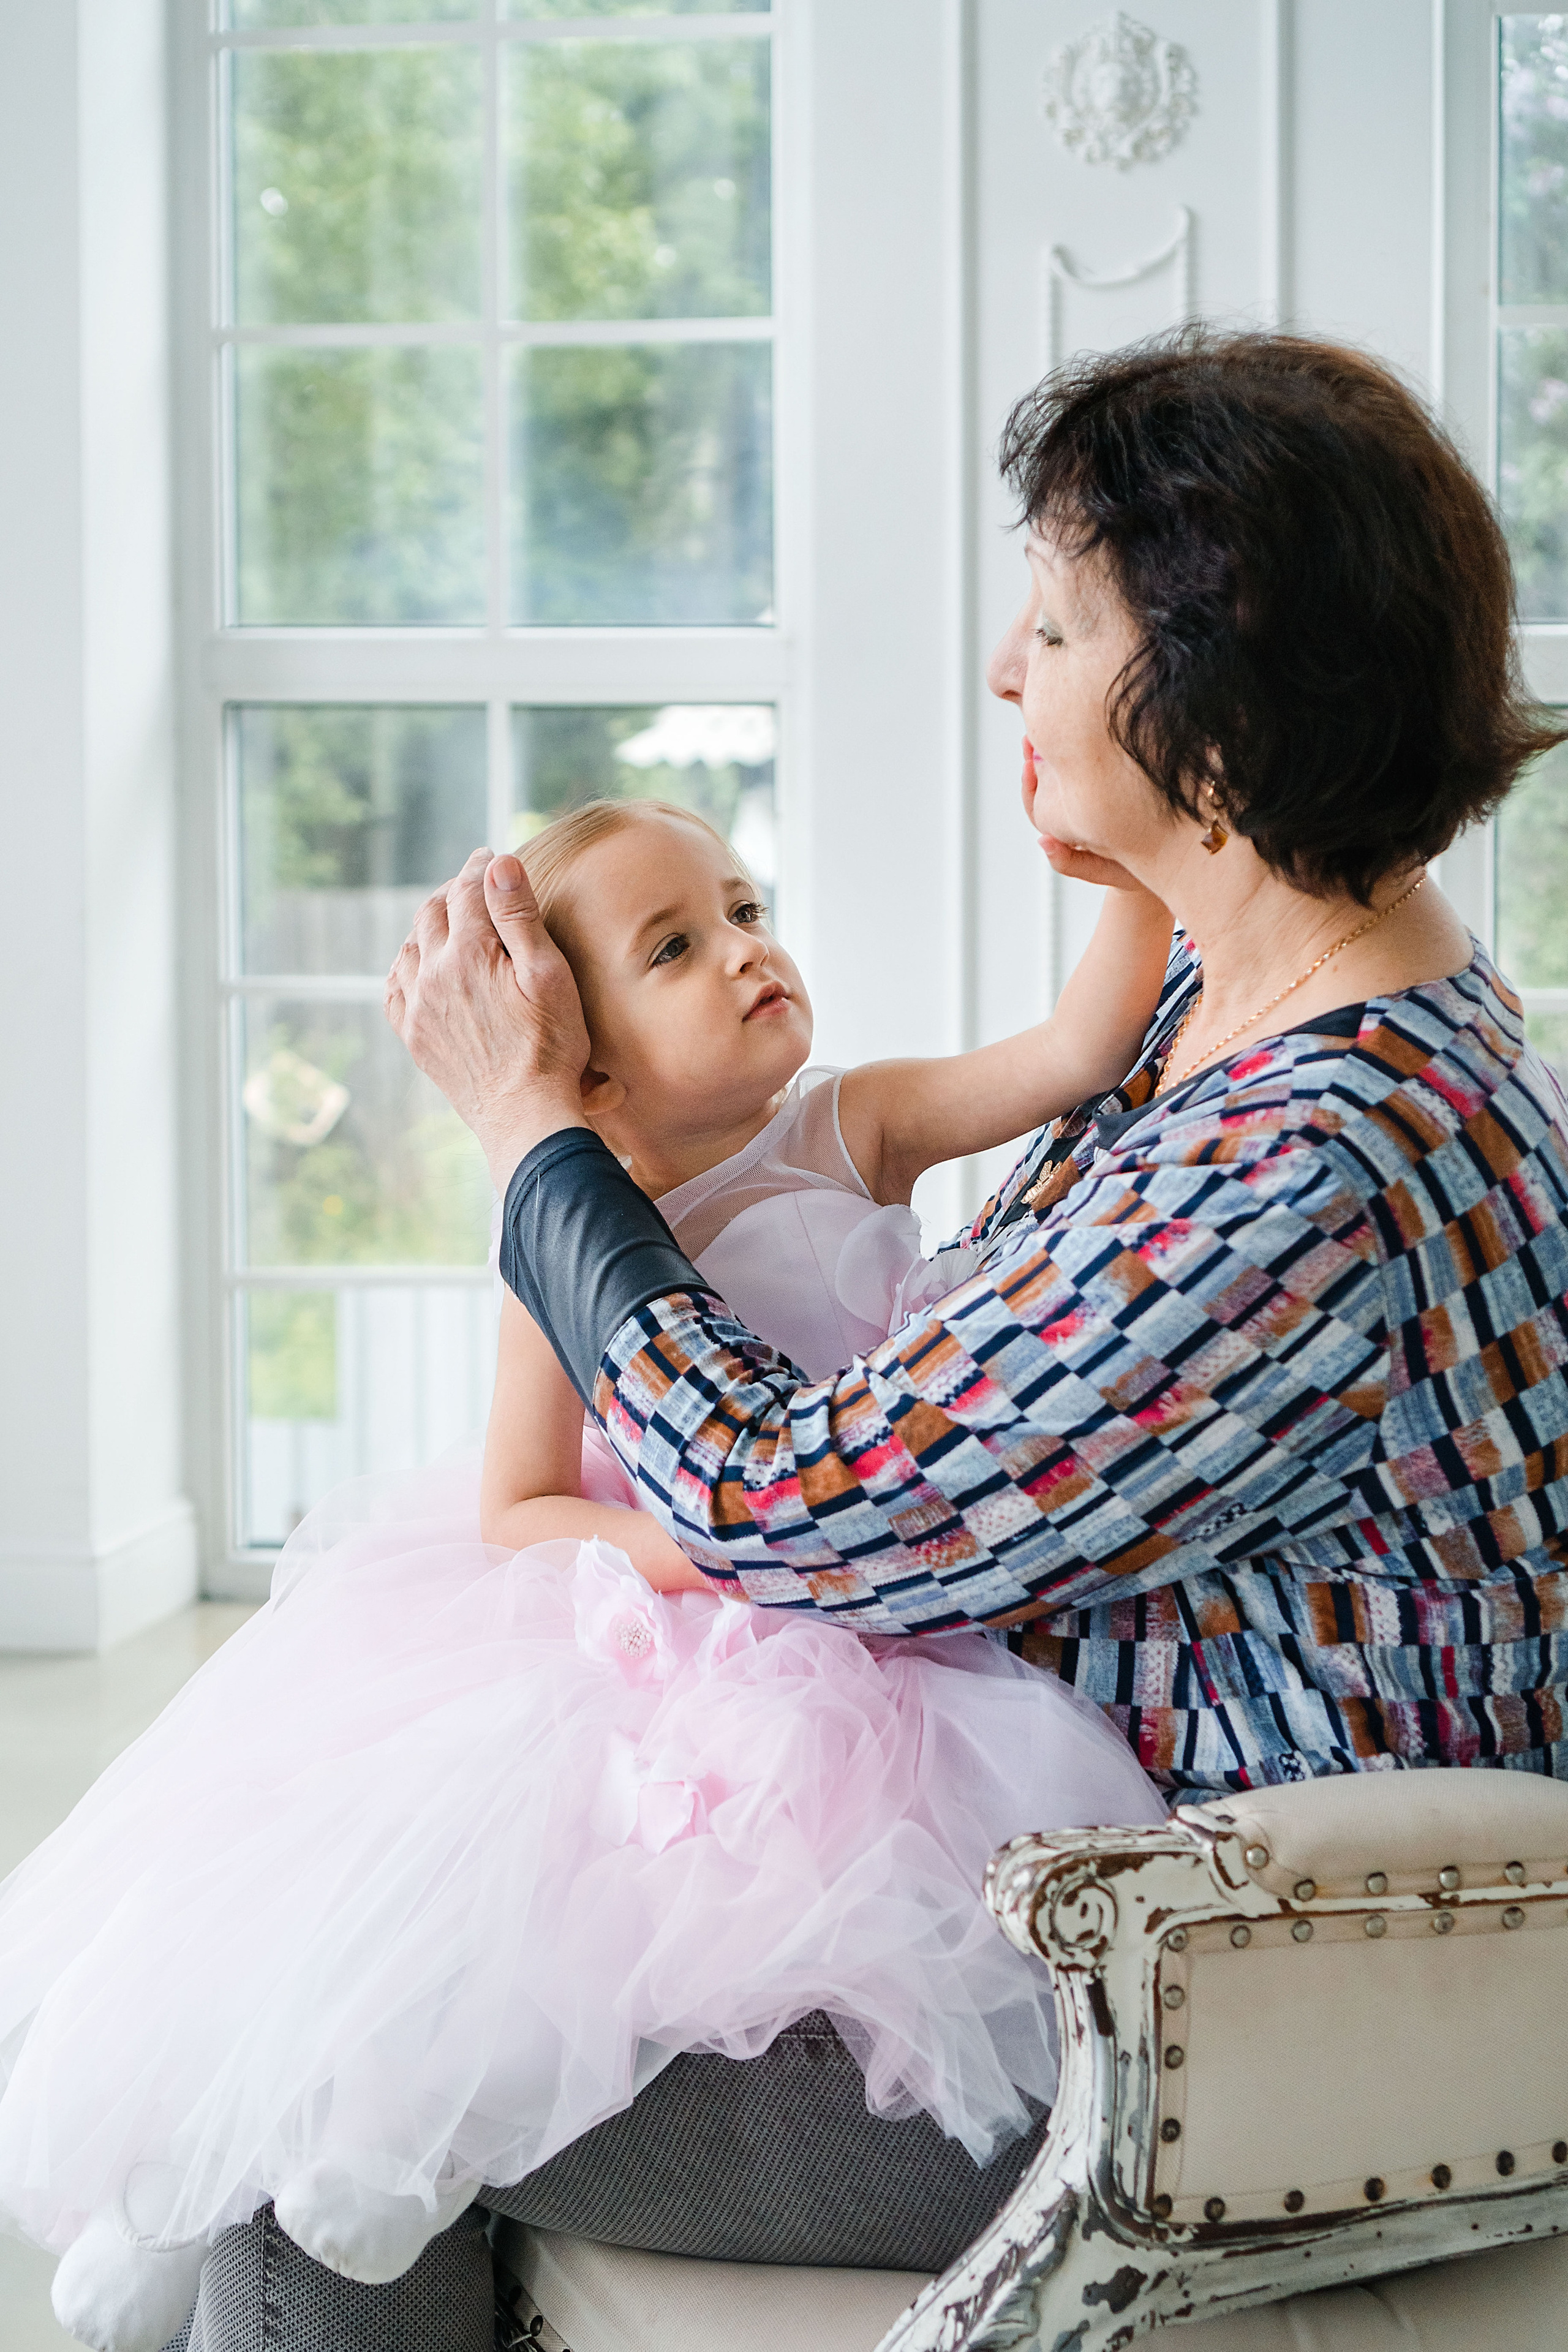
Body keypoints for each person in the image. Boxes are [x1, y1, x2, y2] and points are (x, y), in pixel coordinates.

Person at [0, 795, 1170, 2352]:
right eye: (674, 948)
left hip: (860, 1622)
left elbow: (1078, 1051)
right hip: (669, 1613)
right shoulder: (561, 1217)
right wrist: (709, 1557)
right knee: (435, 1914)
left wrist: (1139, 855)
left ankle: (388, 2170)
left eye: (744, 909)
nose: (745, 951)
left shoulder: (850, 1123)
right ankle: (227, 2197)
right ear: (586, 1063)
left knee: (731, 1928)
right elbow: (519, 1505)